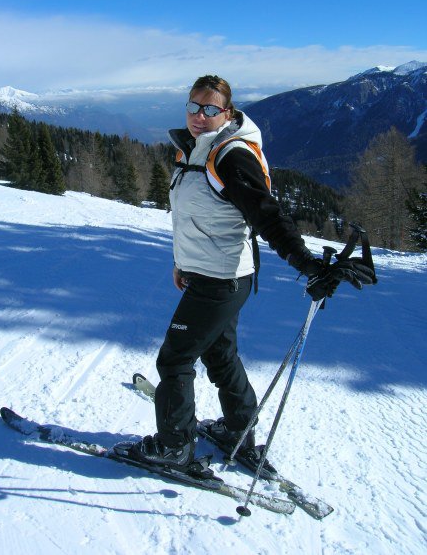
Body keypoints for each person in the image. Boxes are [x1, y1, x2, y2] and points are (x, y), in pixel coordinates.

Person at [124, 75, 375, 469]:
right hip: (214, 274)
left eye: (210, 109)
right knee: (220, 355)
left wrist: (306, 263)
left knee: (174, 359)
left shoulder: (230, 155)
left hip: (220, 279)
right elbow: (193, 218)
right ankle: (237, 430)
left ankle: (174, 447)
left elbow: (267, 215)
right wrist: (181, 264)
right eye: (193, 107)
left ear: (227, 113)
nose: (199, 116)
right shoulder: (194, 151)